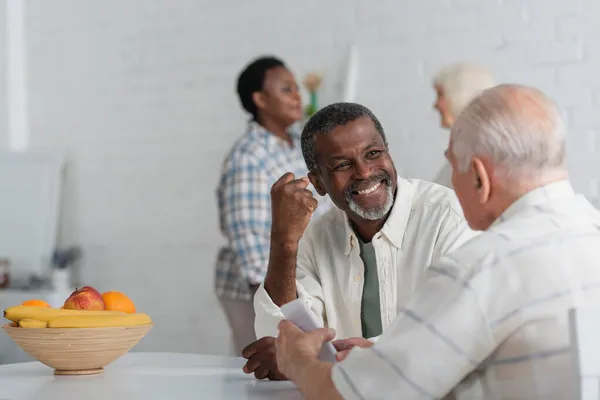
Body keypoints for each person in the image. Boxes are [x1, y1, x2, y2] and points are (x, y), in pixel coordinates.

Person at [274, 84, 600, 399]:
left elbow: (344, 396)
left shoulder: (480, 264)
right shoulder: (590, 229)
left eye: (452, 164)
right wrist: (385, 355)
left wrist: (298, 362)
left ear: (478, 177)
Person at [242, 102, 477, 380]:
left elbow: (462, 329)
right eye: (342, 164)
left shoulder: (447, 217)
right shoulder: (316, 238)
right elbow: (279, 331)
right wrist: (283, 239)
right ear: (318, 184)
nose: (364, 172)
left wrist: (372, 354)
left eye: (373, 153)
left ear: (388, 151)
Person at [215, 56, 332, 356]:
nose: (297, 96)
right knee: (264, 369)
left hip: (298, 280)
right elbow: (248, 238)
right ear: (260, 99)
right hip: (257, 289)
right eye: (286, 89)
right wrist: (275, 301)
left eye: (296, 88)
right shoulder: (248, 158)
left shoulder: (297, 142)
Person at [432, 62, 495, 188]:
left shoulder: (477, 155)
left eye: (440, 95)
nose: (436, 105)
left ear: (459, 95)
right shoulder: (462, 150)